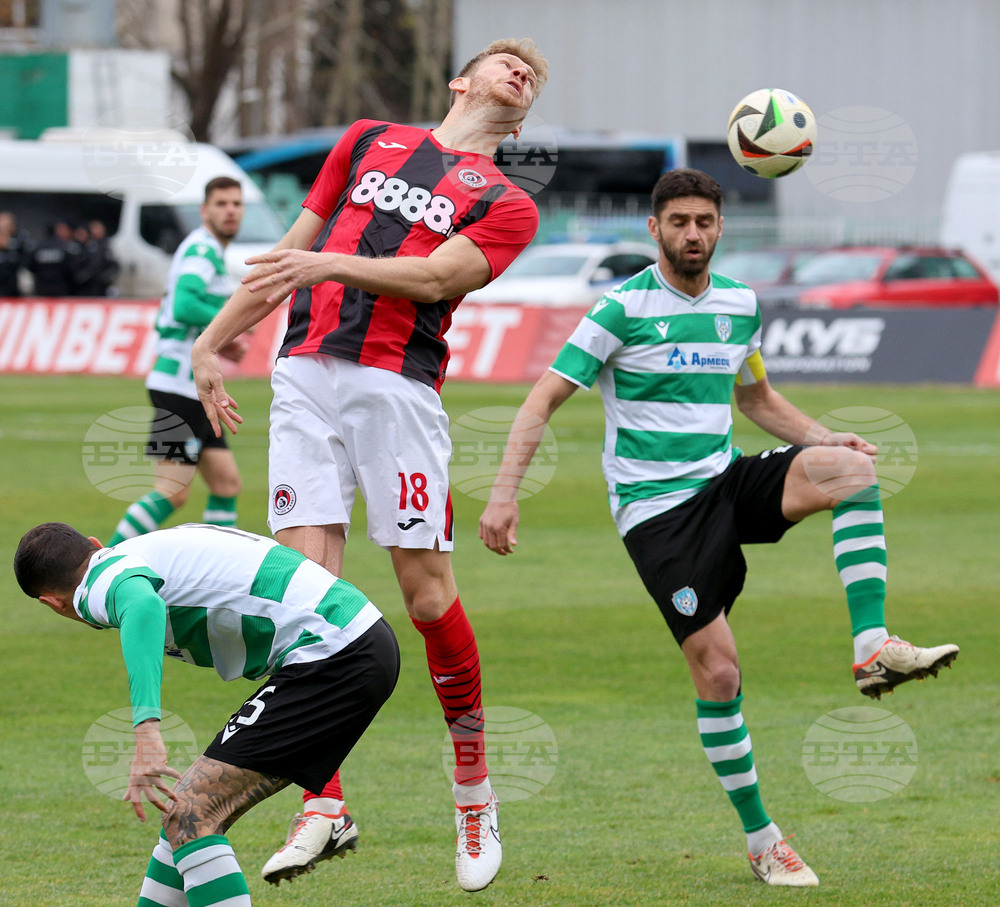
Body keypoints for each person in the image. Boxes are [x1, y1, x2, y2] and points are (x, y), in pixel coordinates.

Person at [477, 168, 960, 888]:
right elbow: (541, 400)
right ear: (654, 229)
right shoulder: (620, 308)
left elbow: (756, 396)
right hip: (657, 511)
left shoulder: (740, 303)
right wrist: (502, 495)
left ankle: (871, 645)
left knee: (851, 473)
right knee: (721, 670)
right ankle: (763, 838)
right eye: (678, 222)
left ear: (720, 226)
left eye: (704, 220)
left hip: (725, 478)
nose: (692, 234)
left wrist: (829, 435)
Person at [190, 38, 549, 892]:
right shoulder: (365, 139)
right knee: (302, 599)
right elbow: (289, 257)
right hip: (302, 374)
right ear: (462, 80)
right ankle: (325, 801)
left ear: (525, 112)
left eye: (532, 77)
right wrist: (210, 342)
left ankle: (473, 791)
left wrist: (326, 264)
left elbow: (431, 278)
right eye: (506, 61)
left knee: (426, 596)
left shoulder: (506, 201)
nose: (521, 72)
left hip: (396, 390)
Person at [13, 521, 398, 907]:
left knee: (193, 814)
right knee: (183, 815)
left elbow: (143, 604)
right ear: (95, 544)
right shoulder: (129, 555)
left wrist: (147, 729)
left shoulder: (96, 584)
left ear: (52, 602)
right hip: (352, 640)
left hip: (333, 653)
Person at [108, 177, 249, 547]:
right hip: (179, 389)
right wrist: (229, 323)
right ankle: (101, 563)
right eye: (221, 203)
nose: (230, 210)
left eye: (236, 203)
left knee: (226, 483)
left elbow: (175, 311)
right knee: (173, 492)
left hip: (192, 388)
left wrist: (220, 338)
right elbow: (185, 306)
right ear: (204, 211)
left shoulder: (207, 252)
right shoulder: (201, 251)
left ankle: (225, 572)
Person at [77, 219, 120, 297]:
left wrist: (105, 276)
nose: (97, 231)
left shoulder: (107, 246)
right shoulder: (85, 246)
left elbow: (114, 265)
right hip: (88, 285)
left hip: (102, 284)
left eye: (99, 229)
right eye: (95, 229)